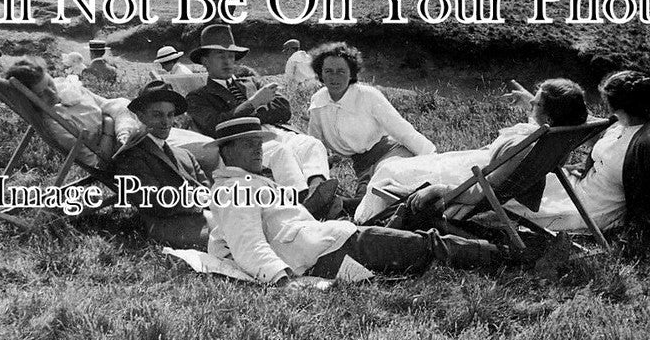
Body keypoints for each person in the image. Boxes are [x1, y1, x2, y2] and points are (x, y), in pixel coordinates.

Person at [206, 117, 505, 285]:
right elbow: (249, 244)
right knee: (424, 245)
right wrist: (281, 281)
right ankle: (510, 255)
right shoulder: (234, 190)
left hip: (328, 239)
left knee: (414, 213)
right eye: (248, 145)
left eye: (259, 143)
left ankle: (498, 242)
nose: (258, 151)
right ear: (226, 151)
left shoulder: (247, 181)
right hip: (323, 248)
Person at [413, 71, 650, 244]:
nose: (604, 104)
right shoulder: (619, 125)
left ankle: (432, 199)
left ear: (619, 103)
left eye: (608, 99)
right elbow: (573, 127)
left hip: (588, 211)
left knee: (504, 198)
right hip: (576, 189)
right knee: (513, 176)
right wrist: (534, 102)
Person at [354, 78, 589, 224]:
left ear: (547, 116)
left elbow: (481, 192)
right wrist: (531, 102)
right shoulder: (558, 134)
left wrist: (438, 189)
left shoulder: (524, 146)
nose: (531, 105)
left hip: (466, 178)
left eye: (536, 103)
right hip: (474, 165)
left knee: (391, 170)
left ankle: (365, 221)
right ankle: (359, 208)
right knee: (395, 167)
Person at [184, 24, 337, 214]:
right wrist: (254, 103)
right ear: (205, 61)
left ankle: (317, 193)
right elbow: (215, 124)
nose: (228, 61)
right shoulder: (198, 96)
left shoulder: (251, 81)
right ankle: (301, 204)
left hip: (275, 130)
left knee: (311, 144)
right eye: (220, 56)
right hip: (244, 142)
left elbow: (283, 108)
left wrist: (246, 111)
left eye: (231, 56)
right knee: (280, 152)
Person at [306, 43, 436, 193]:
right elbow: (314, 142)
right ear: (320, 73)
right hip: (363, 166)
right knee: (368, 197)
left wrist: (432, 158)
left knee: (384, 188)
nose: (334, 77)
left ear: (351, 74)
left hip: (390, 154)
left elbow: (402, 129)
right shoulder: (318, 101)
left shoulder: (368, 95)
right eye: (328, 71)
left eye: (341, 71)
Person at [112, 81, 212, 247]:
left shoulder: (184, 154)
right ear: (141, 116)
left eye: (170, 115)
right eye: (157, 115)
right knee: (241, 235)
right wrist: (195, 200)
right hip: (173, 226)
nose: (166, 122)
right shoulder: (132, 155)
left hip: (205, 216)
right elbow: (150, 200)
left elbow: (206, 187)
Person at [5, 57, 136, 169]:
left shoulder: (66, 90)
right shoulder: (57, 125)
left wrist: (122, 125)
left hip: (124, 133)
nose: (51, 93)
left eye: (50, 83)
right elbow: (98, 163)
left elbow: (106, 104)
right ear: (28, 100)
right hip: (122, 155)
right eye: (41, 94)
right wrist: (108, 125)